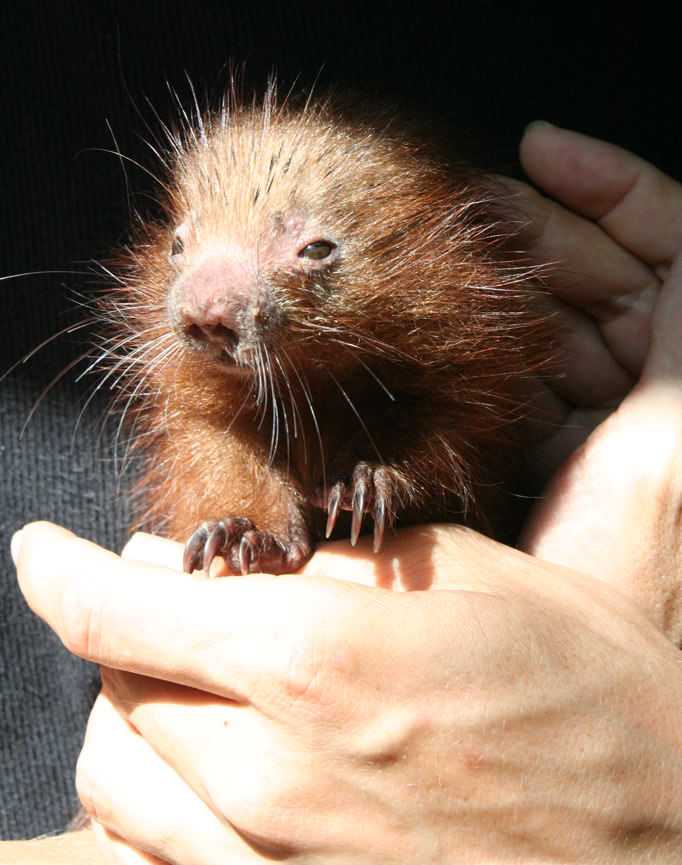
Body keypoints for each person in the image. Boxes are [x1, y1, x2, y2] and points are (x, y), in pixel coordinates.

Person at [4, 121, 682, 863]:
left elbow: (463, 428)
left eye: (314, 251)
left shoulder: (477, 337)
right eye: (180, 248)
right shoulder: (200, 403)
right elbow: (204, 443)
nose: (202, 303)